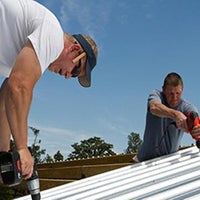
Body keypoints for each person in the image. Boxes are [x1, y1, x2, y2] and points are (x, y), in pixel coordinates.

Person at [0, 0, 98, 180]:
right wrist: (22, 148)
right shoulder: (53, 37)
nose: (68, 76)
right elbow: (20, 86)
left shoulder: (24, 55)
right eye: (76, 70)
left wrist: (3, 155)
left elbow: (6, 103)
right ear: (75, 50)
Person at [135, 72, 200, 162]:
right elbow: (154, 107)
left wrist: (196, 129)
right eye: (171, 93)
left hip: (167, 162)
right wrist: (176, 115)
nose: (175, 97)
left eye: (178, 93)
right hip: (143, 160)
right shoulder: (156, 95)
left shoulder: (187, 107)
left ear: (182, 90)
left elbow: (195, 119)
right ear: (163, 90)